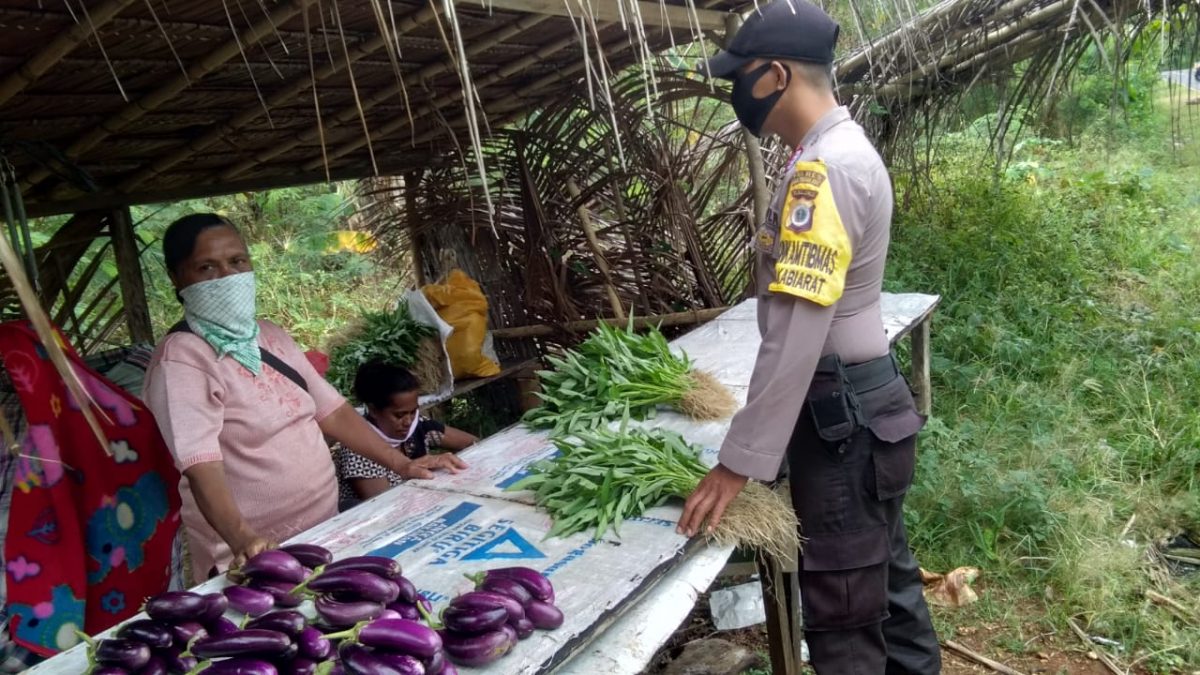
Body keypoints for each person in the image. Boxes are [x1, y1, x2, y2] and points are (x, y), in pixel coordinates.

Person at [676, 2, 942, 673]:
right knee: (888, 585)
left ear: (774, 75)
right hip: (862, 404)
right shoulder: (835, 154)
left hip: (839, 419)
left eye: (739, 75)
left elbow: (799, 326)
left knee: (845, 609)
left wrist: (738, 460)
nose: (734, 90)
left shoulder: (824, 170)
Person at [143, 213, 467, 582]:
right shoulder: (182, 359)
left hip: (324, 528)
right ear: (177, 277)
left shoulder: (270, 336)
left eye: (237, 261)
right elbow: (200, 464)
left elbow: (334, 413)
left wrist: (402, 464)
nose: (227, 277)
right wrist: (242, 538)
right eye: (207, 267)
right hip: (255, 554)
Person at [334, 362, 478, 511]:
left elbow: (472, 442)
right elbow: (386, 506)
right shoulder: (359, 449)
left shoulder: (418, 426)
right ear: (374, 411)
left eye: (413, 412)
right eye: (399, 415)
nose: (408, 421)